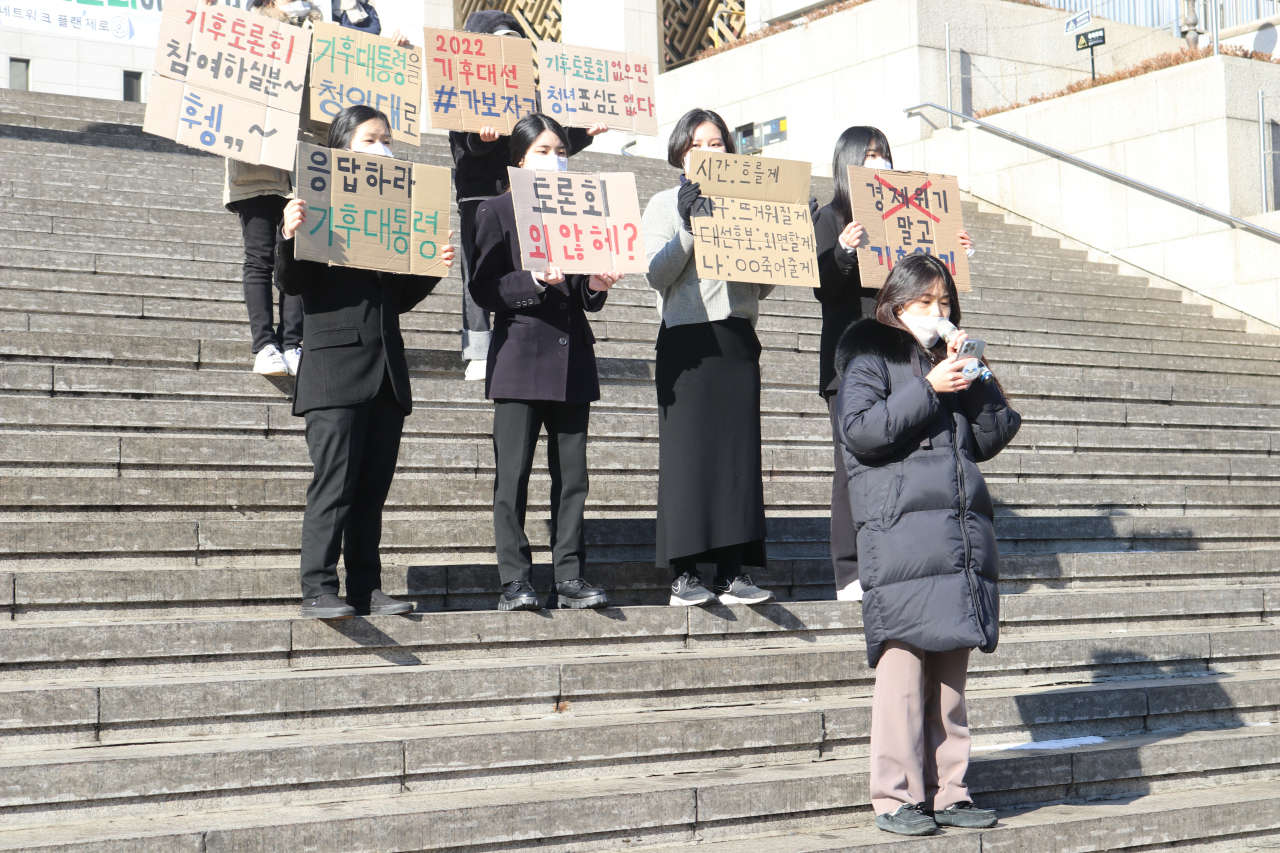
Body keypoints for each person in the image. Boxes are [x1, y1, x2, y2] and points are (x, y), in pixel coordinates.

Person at [832, 253, 1019, 836]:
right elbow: (860, 432)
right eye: (925, 302)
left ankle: (952, 791)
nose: (937, 313)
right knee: (903, 671)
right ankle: (895, 797)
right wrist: (927, 387)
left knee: (951, 675)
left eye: (944, 303)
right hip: (900, 534)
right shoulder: (869, 352)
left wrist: (976, 371)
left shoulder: (951, 362)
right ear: (896, 304)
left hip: (956, 536)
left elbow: (994, 433)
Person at [275, 106, 455, 619]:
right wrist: (289, 235)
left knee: (371, 492)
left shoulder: (395, 210)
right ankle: (317, 587)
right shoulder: (315, 201)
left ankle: (366, 587)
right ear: (343, 147)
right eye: (372, 138)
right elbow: (291, 283)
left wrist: (431, 269)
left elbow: (394, 300)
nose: (384, 148)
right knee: (335, 484)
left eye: (388, 139)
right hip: (334, 371)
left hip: (385, 375)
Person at [468, 114, 622, 612]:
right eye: (542, 151)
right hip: (519, 356)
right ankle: (515, 579)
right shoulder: (495, 210)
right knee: (511, 476)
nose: (554, 159)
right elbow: (484, 288)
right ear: (519, 159)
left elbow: (578, 287)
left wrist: (594, 285)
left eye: (559, 151)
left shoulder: (579, 210)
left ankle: (570, 575)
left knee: (573, 477)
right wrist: (532, 281)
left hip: (572, 357)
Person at [814, 126, 973, 602]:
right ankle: (849, 571)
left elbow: (927, 290)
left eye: (883, 154)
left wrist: (953, 258)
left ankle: (896, 558)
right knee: (853, 463)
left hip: (906, 360)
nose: (877, 162)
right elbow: (821, 287)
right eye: (867, 155)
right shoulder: (829, 216)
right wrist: (843, 249)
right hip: (853, 360)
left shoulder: (906, 219)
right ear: (845, 162)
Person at [217, 0, 414, 377]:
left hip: (311, 156)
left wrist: (394, 54)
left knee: (303, 246)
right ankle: (264, 345)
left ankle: (293, 342)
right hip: (257, 157)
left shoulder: (328, 32)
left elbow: (365, 73)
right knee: (260, 255)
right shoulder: (245, 26)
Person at [641, 108, 777, 608]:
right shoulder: (662, 203)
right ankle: (684, 574)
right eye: (700, 142)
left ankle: (731, 570)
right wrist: (690, 226)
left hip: (736, 339)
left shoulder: (745, 203)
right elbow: (656, 274)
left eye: (718, 142)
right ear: (681, 151)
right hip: (688, 342)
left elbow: (763, 282)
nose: (710, 150)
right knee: (688, 458)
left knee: (737, 459)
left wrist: (783, 236)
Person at [450, 10, 608, 381]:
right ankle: (478, 345)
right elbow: (462, 146)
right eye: (499, 42)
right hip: (480, 194)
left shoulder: (533, 95)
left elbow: (546, 146)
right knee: (480, 266)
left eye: (515, 43)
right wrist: (480, 139)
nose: (508, 51)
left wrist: (583, 134)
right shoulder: (462, 90)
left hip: (531, 192)